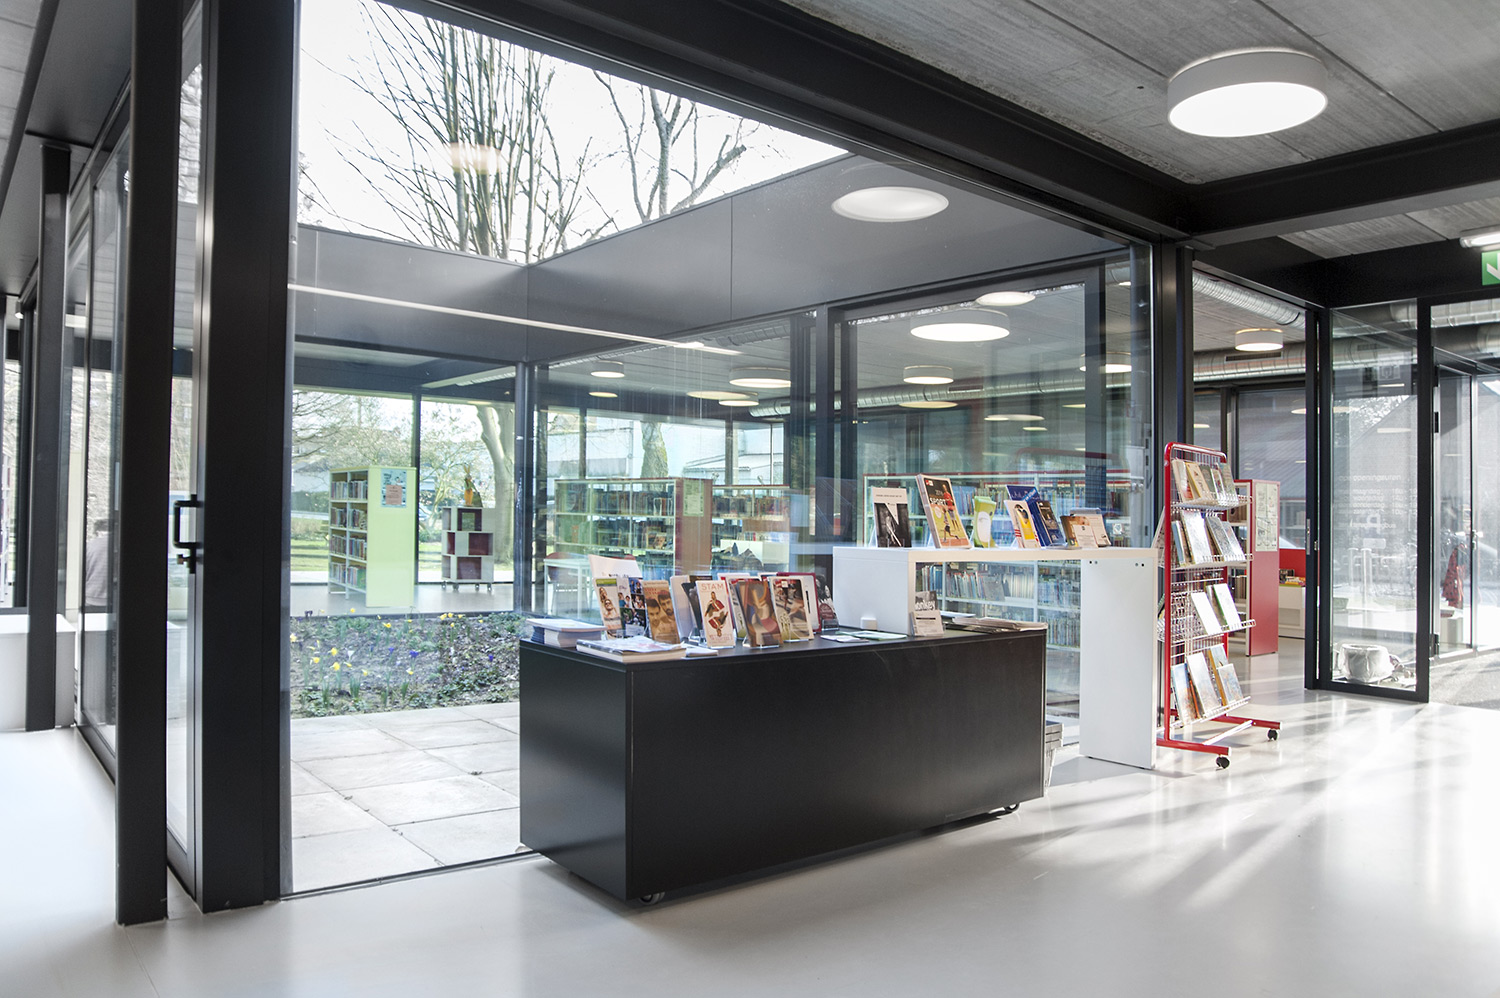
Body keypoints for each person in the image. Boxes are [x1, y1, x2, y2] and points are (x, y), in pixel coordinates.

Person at [84, 518, 111, 608]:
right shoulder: (118, 544)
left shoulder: (89, 546)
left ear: (98, 532)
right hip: (115, 598)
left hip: (91, 597)